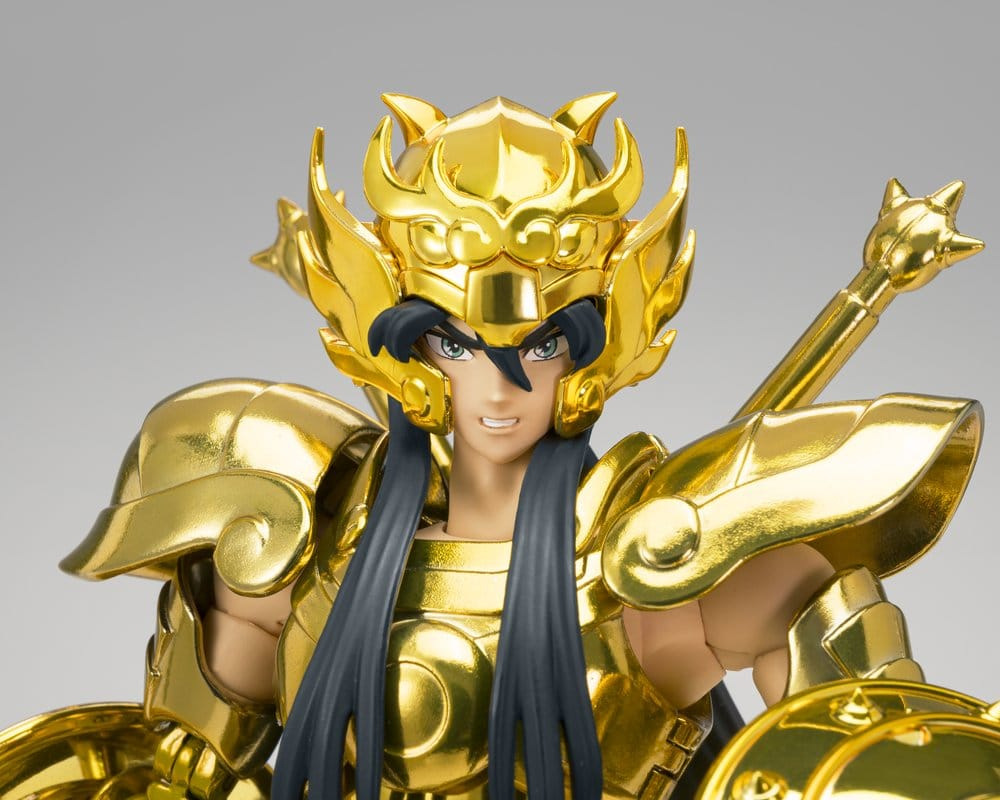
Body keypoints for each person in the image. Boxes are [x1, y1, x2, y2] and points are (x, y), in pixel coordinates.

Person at [3, 93, 992, 799]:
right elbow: (183, 766)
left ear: (592, 350)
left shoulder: (660, 570)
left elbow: (861, 746)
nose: (501, 385)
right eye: (459, 345)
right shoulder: (301, 532)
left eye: (541, 346)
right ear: (406, 348)